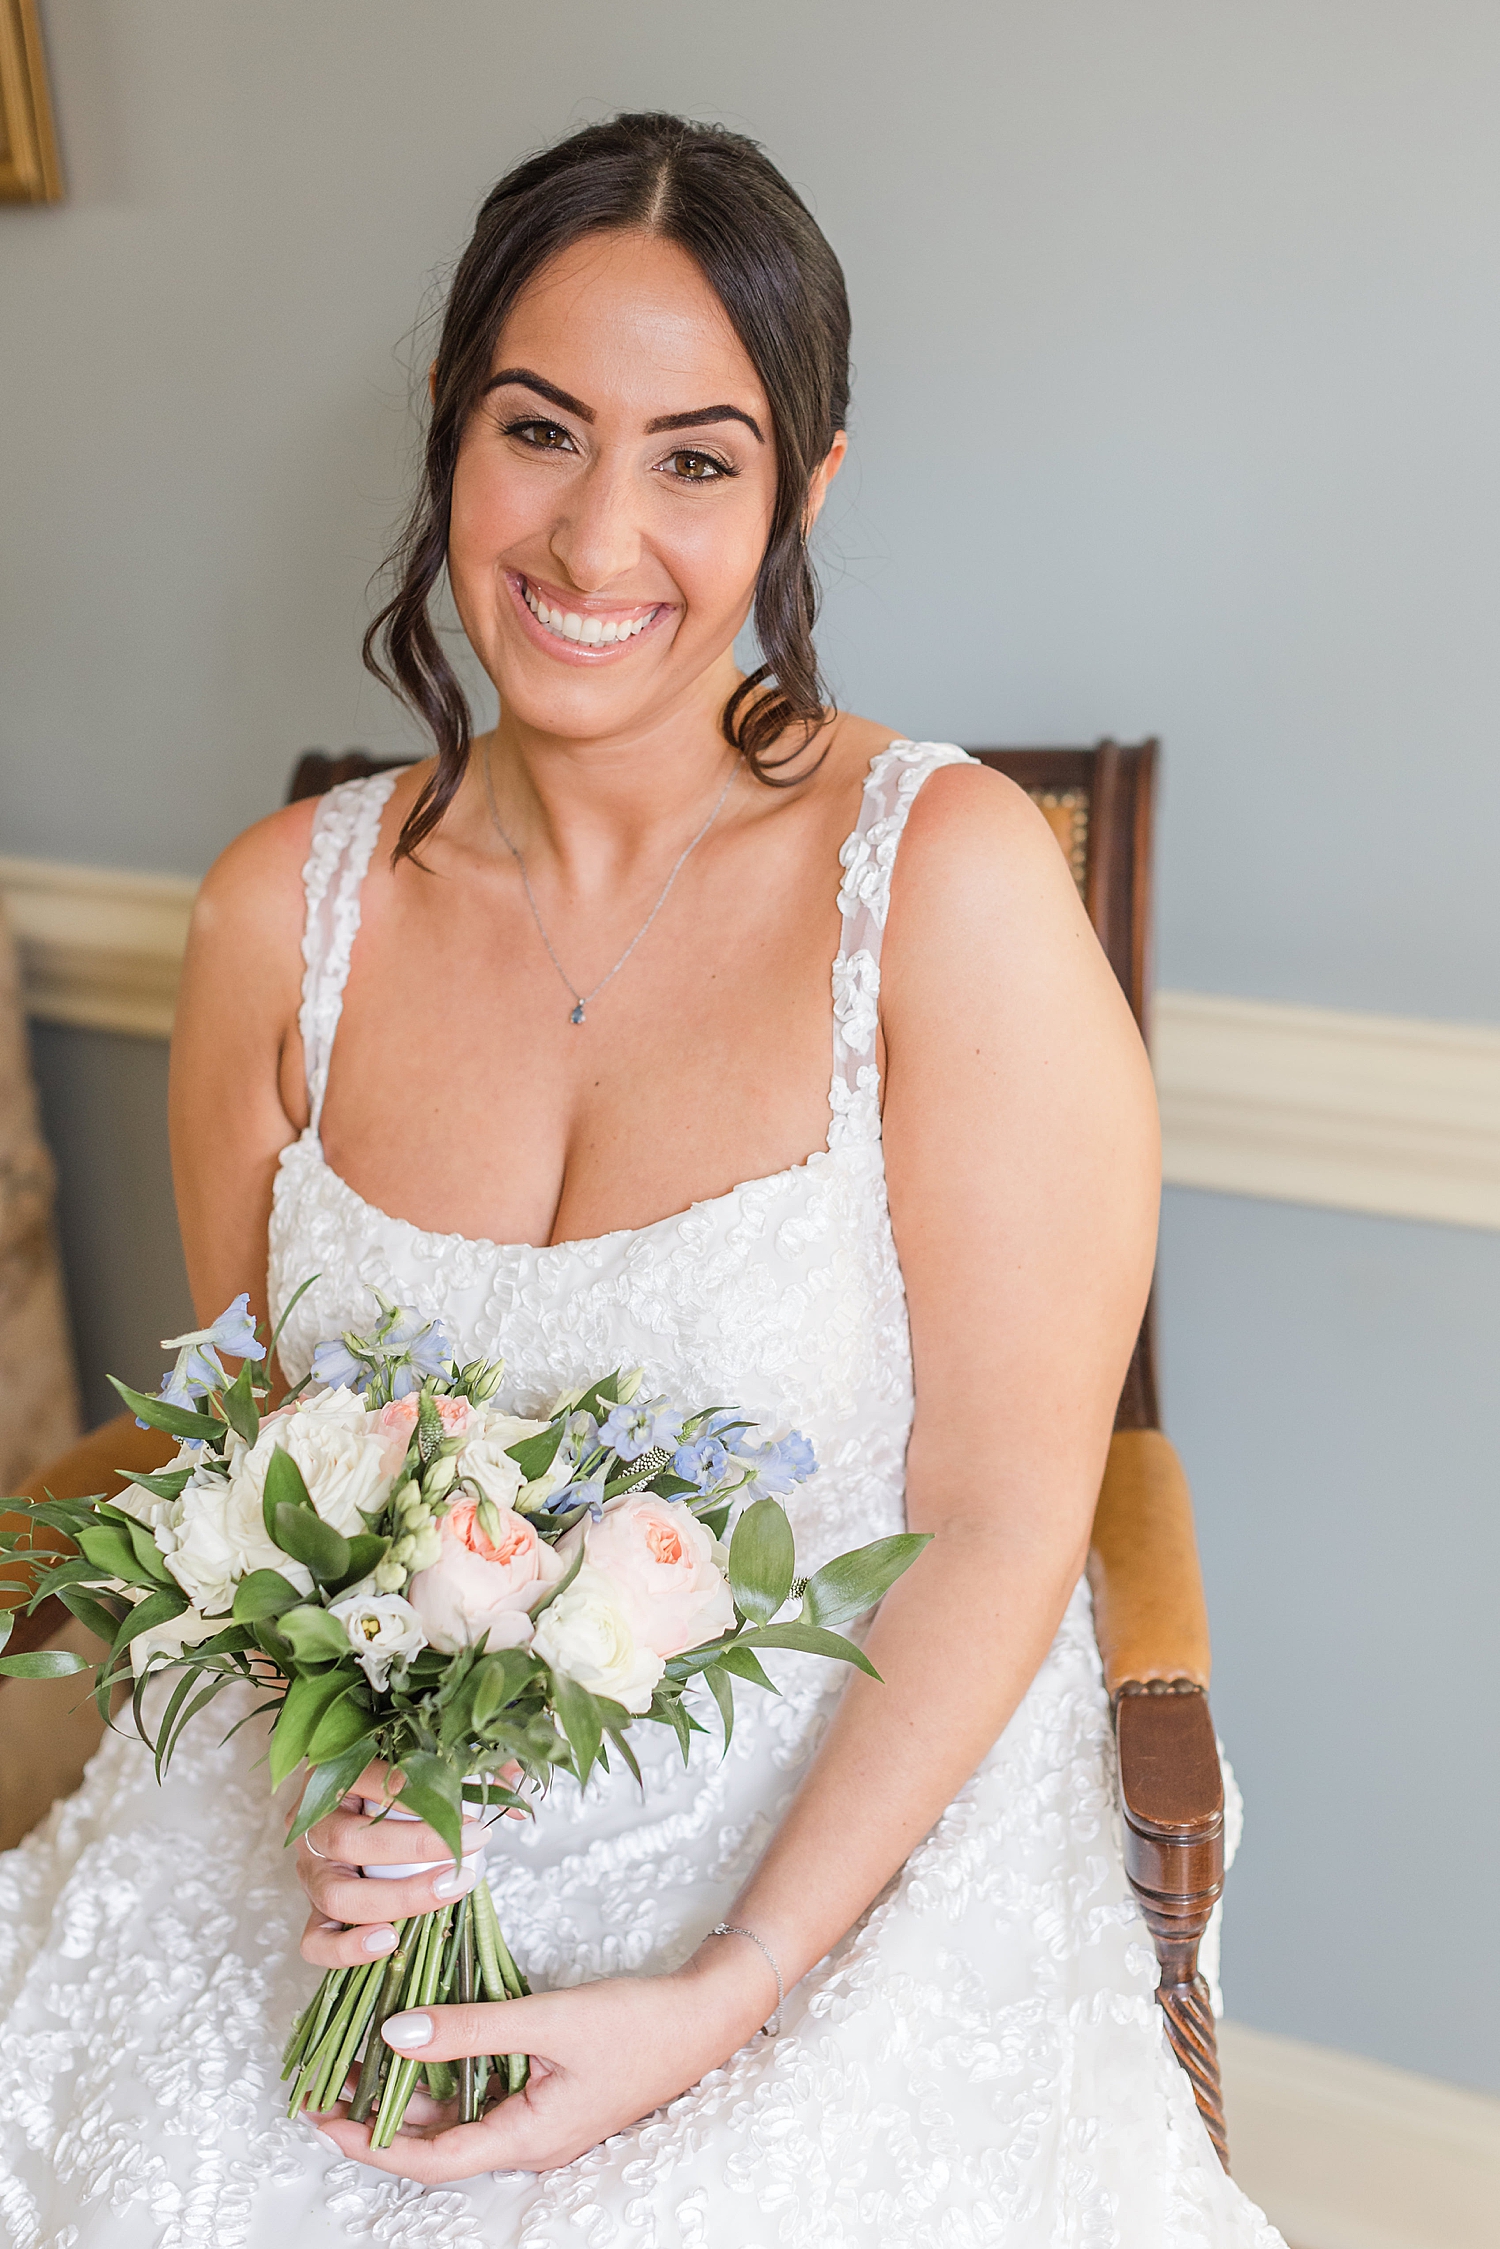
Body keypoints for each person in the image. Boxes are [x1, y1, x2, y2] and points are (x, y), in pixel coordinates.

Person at [0, 113, 1285, 2246]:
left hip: (829, 1862)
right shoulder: (276, 922)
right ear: (448, 430)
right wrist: (362, 1807)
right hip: (346, 1849)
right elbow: (254, 1482)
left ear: (804, 493)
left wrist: (724, 1994)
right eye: (541, 431)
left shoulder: (946, 890)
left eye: (697, 457)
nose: (602, 541)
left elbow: (998, 1515)